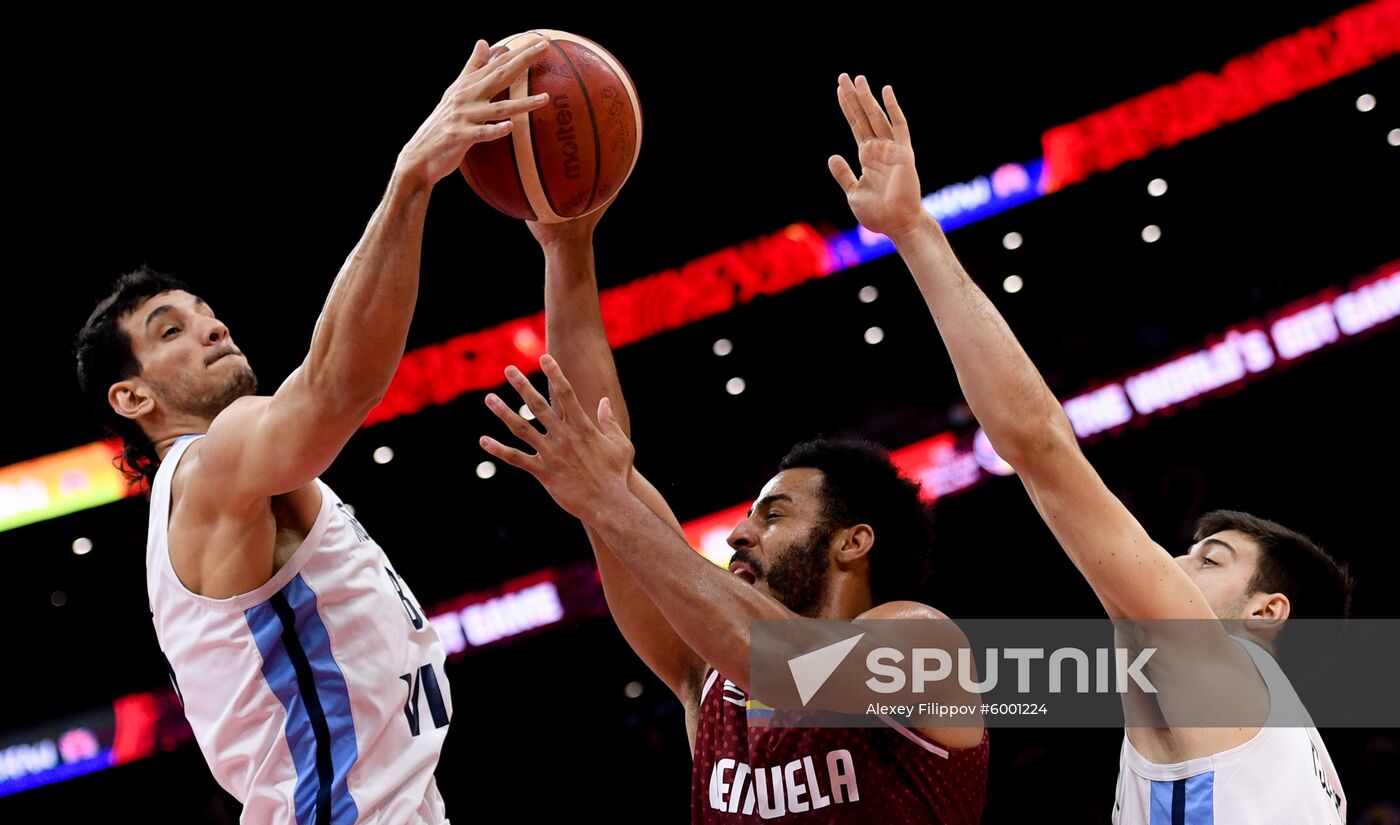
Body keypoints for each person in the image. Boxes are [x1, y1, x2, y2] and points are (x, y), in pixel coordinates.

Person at [825, 73, 1352, 821]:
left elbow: (1038, 445)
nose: (1170, 561)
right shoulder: (1302, 759)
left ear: (1266, 612)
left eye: (1210, 560)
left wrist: (917, 233)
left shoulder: (1225, 667)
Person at [72, 36, 553, 824]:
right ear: (132, 398)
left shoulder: (241, 478)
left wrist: (565, 248)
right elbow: (335, 385)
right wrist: (411, 181)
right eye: (171, 330)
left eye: (207, 312)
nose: (212, 327)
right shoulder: (205, 470)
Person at [478, 175, 988, 822]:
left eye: (774, 515)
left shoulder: (922, 645)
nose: (738, 536)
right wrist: (566, 246)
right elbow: (600, 434)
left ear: (853, 541)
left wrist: (611, 499)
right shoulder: (706, 677)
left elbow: (791, 669)